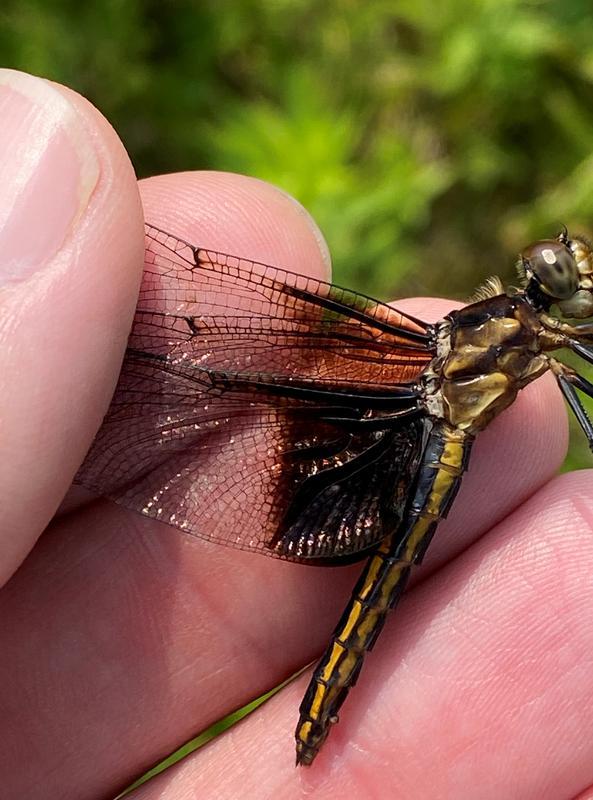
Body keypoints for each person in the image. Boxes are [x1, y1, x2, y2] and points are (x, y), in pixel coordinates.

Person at [0, 68, 591, 800]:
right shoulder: (530, 336)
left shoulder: (530, 336)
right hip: (414, 434)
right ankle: (321, 713)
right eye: (562, 272)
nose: (570, 280)